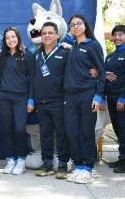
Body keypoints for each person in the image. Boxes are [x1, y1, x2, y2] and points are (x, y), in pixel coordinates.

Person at [64, 14, 105, 184]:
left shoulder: (93, 45)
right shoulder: (72, 46)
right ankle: (78, 165)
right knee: (72, 131)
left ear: (85, 25)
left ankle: (88, 167)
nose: (75, 27)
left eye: (78, 23)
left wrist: (98, 96)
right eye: (72, 25)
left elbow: (101, 72)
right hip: (70, 96)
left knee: (86, 131)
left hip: (87, 94)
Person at [32, 22, 70, 179]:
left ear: (57, 35)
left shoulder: (66, 52)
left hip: (59, 101)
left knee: (61, 134)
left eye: (50, 33)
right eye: (44, 33)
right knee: (45, 134)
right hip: (41, 102)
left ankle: (62, 165)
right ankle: (47, 164)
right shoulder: (36, 54)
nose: (47, 35)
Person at [0, 26, 34, 175]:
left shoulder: (27, 55)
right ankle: (10, 160)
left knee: (19, 129)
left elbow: (33, 78)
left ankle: (21, 160)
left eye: (13, 37)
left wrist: (31, 99)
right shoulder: (2, 56)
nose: (10, 40)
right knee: (7, 130)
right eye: (7, 38)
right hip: (4, 98)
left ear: (18, 38)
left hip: (21, 98)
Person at [105, 24, 125, 173]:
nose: (117, 37)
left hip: (121, 99)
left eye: (121, 34)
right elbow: (105, 73)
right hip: (111, 98)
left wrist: (123, 98)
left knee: (124, 129)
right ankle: (122, 158)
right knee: (118, 129)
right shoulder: (110, 56)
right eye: (115, 35)